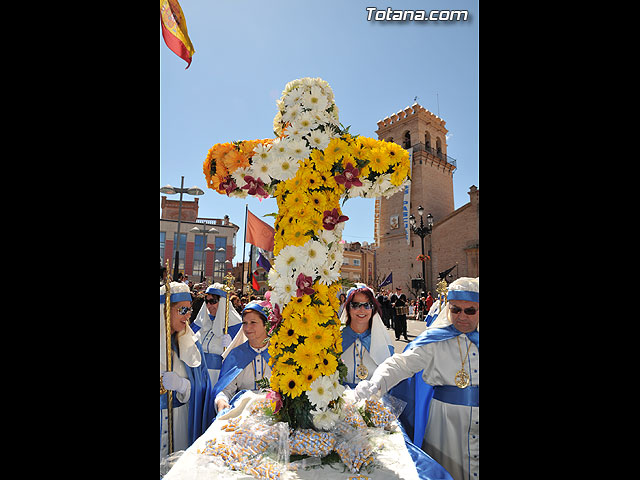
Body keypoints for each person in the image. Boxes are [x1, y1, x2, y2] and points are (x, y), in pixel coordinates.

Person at [354, 277, 479, 480]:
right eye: (456, 309)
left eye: (470, 310)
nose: (462, 316)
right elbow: (401, 364)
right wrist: (375, 383)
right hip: (445, 428)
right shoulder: (434, 341)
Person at [160, 281, 216, 460]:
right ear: (164, 311)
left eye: (189, 309)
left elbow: (203, 388)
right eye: (182, 310)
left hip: (181, 423)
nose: (188, 315)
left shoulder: (192, 343)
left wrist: (183, 385)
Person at [211, 300, 272, 415]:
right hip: (244, 414)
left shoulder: (280, 353)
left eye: (253, 322)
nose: (247, 328)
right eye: (244, 323)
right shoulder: (236, 355)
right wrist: (221, 401)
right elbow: (226, 389)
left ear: (266, 325)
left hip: (275, 413)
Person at [340, 286, 394, 388]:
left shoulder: (382, 342)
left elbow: (390, 379)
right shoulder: (337, 340)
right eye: (355, 305)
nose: (362, 310)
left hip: (374, 401)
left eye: (367, 305)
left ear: (373, 309)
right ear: (348, 308)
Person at [191, 283, 243, 385]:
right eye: (207, 301)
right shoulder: (202, 322)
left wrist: (232, 346)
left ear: (223, 302)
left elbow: (242, 357)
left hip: (218, 377)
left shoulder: (236, 326)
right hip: (198, 377)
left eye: (213, 301)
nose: (209, 305)